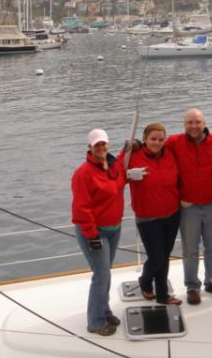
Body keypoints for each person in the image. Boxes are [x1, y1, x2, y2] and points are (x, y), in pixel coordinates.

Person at [164, 108, 212, 305]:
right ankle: (192, 286)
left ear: (204, 123)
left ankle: (211, 281)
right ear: (184, 124)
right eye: (190, 122)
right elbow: (153, 148)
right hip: (188, 207)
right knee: (190, 250)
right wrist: (135, 146)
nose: (194, 126)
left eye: (197, 122)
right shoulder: (174, 142)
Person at [71, 128, 126, 336]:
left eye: (104, 143)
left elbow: (121, 170)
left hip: (114, 229)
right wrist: (92, 235)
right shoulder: (83, 174)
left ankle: (104, 309)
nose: (101, 147)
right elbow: (81, 209)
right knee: (101, 275)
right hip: (95, 232)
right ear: (90, 147)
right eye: (97, 145)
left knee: (106, 273)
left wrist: (129, 149)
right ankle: (95, 322)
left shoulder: (112, 166)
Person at [120, 123, 182, 305]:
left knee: (165, 255)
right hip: (148, 217)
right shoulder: (134, 156)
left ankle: (162, 295)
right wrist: (129, 173)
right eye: (153, 139)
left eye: (160, 139)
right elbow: (115, 174)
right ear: (145, 139)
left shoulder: (170, 154)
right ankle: (145, 281)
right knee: (156, 257)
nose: (157, 143)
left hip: (172, 214)